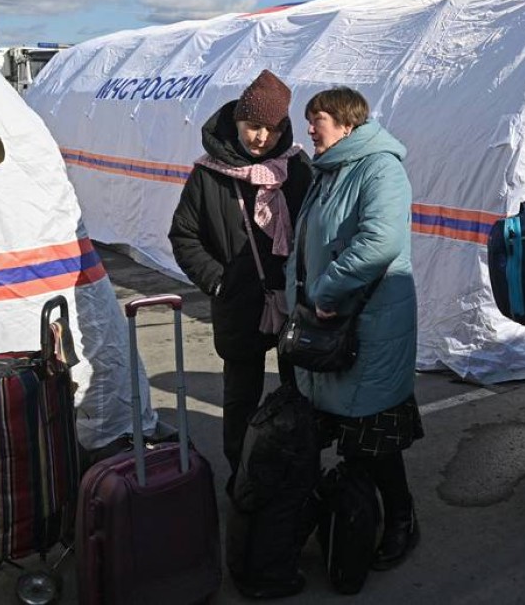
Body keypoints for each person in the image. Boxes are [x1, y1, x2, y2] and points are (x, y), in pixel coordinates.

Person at [286, 86, 421, 570]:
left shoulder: (379, 168)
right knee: (354, 435)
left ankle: (402, 519)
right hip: (332, 324)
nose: (309, 128)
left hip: (368, 325)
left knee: (374, 438)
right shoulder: (332, 170)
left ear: (346, 123)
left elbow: (380, 241)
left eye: (316, 118)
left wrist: (325, 291)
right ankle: (355, 513)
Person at [169, 69, 312, 488]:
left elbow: (316, 230)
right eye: (253, 127)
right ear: (237, 122)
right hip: (239, 305)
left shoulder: (297, 169)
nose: (260, 138)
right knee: (241, 400)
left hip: (292, 303)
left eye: (270, 129)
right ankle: (243, 477)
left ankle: (297, 470)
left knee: (298, 392)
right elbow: (185, 235)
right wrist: (218, 281)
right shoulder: (209, 174)